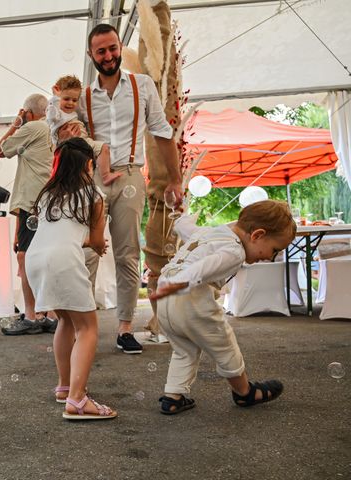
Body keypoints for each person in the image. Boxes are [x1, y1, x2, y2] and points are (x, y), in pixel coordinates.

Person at [60, 23, 183, 354]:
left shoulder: (141, 85)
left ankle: (125, 327)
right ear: (92, 55)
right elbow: (68, 137)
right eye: (101, 51)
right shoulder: (83, 97)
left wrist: (175, 178)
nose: (109, 55)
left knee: (128, 252)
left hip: (129, 174)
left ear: (119, 46)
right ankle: (77, 326)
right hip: (91, 180)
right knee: (85, 251)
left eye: (113, 48)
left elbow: (161, 131)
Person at [150, 200, 296, 415]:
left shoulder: (210, 233)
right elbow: (201, 269)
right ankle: (244, 392)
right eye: (274, 250)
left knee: (184, 349)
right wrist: (177, 284)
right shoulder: (234, 251)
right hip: (187, 293)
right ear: (257, 235)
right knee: (225, 345)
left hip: (166, 299)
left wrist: (180, 215)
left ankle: (173, 397)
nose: (269, 257)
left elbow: (185, 228)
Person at [25, 137, 116, 420]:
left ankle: (65, 387)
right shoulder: (94, 195)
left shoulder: (47, 195)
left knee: (65, 320)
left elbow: (60, 234)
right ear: (89, 164)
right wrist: (98, 246)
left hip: (35, 259)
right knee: (87, 328)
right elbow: (97, 239)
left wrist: (86, 242)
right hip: (64, 261)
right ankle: (77, 401)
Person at [0, 94, 57, 335]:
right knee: (47, 259)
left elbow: (0, 150)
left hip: (30, 201)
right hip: (47, 201)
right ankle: (49, 314)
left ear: (28, 112)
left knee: (25, 258)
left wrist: (16, 123)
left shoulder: (32, 127)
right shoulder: (52, 129)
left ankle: (31, 316)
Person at [46, 75, 120, 186]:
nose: (70, 103)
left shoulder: (68, 112)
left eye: (74, 100)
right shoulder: (56, 111)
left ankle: (102, 174)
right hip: (78, 140)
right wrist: (55, 97)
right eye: (66, 99)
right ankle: (105, 175)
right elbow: (51, 116)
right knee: (103, 148)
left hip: (81, 139)